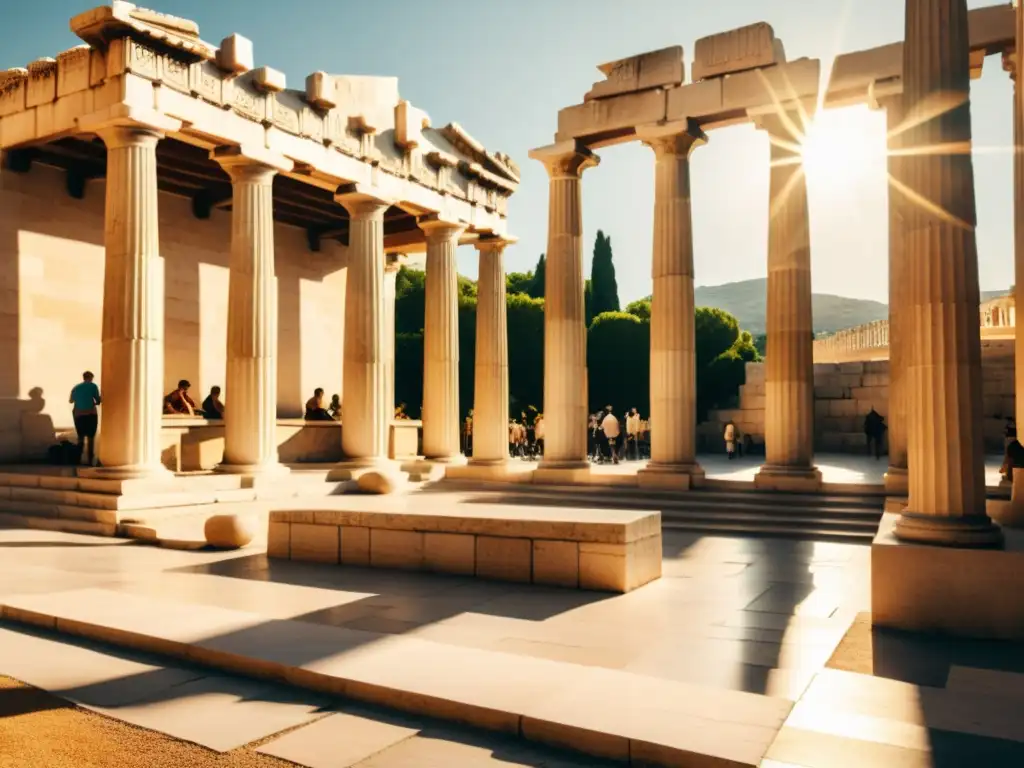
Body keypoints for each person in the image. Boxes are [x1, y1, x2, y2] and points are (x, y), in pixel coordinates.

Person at [69, 371, 101, 466]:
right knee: (91, 437)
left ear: (83, 377)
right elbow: (98, 400)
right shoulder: (93, 386)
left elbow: (71, 401)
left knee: (81, 437)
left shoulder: (76, 387)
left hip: (78, 415)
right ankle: (90, 460)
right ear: (91, 378)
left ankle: (78, 460)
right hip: (90, 414)